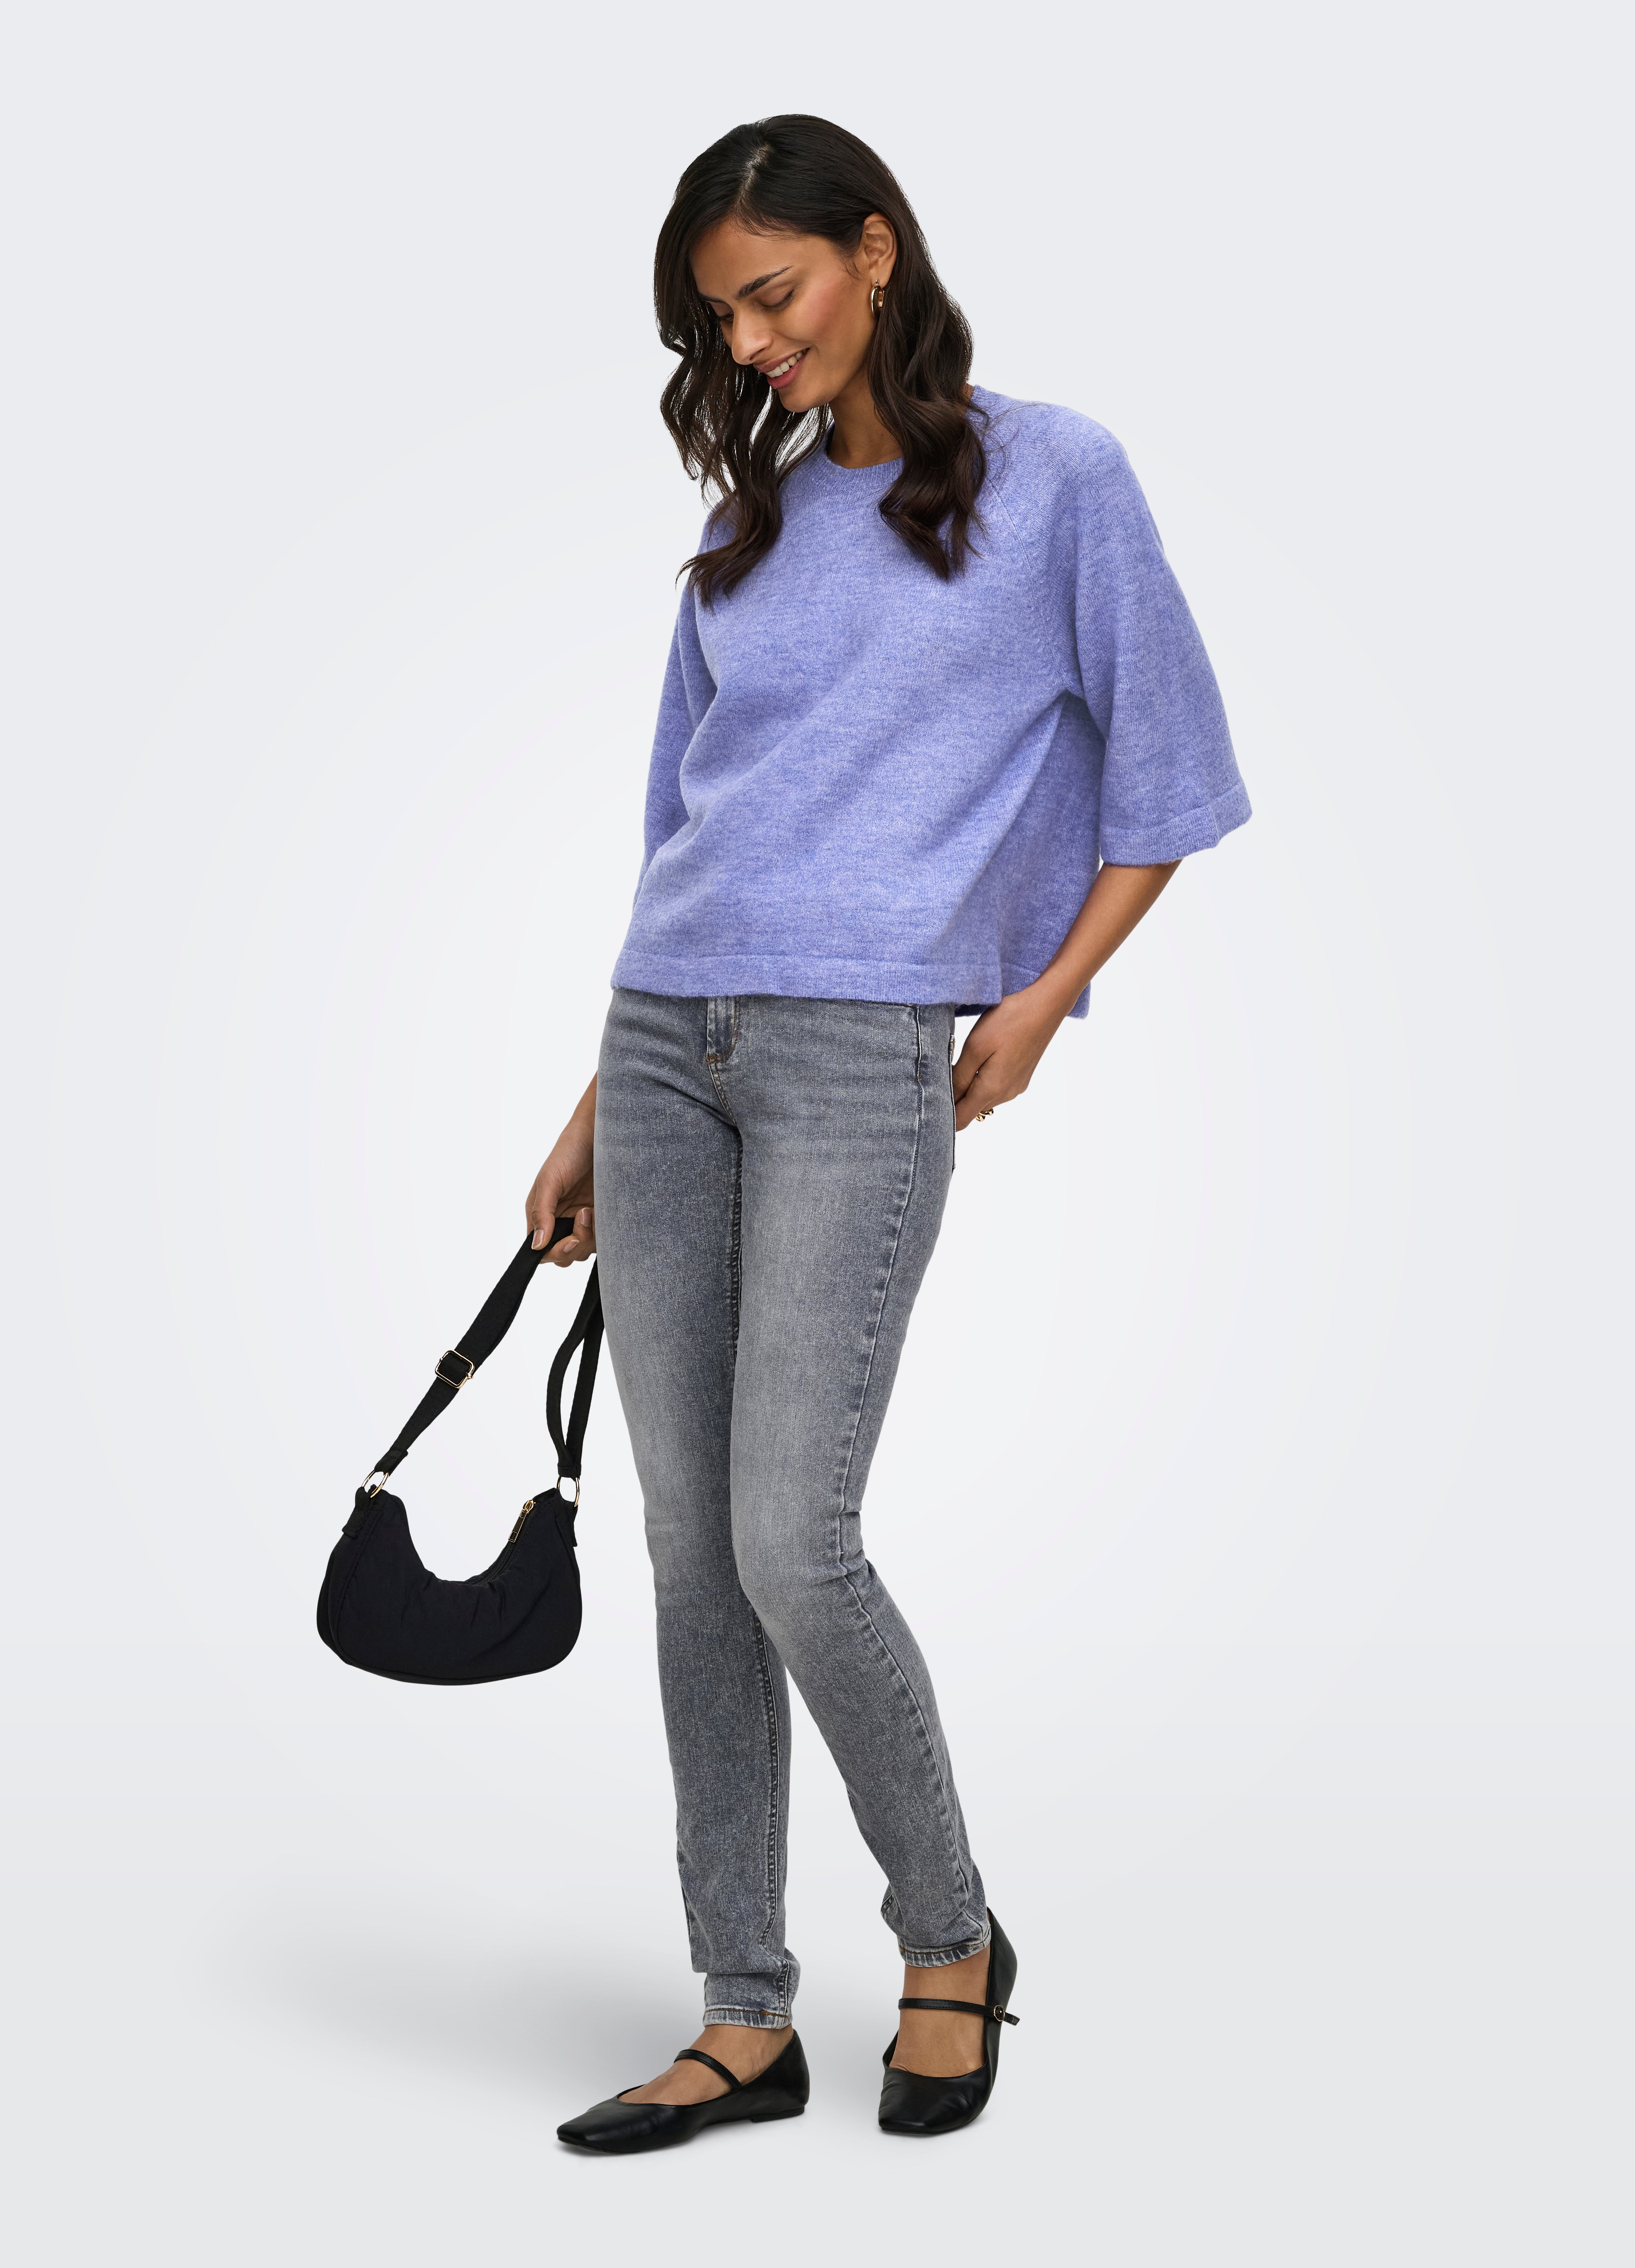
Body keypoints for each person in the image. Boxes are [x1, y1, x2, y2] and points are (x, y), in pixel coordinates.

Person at [532, 114, 1250, 2153]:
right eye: (719, 321)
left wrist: (1036, 1000)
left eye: (771, 295)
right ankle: (741, 2009)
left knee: (792, 1537)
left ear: (875, 247)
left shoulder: (1058, 478)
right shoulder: (748, 531)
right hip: (664, 1041)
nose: (750, 344)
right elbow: (682, 834)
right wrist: (590, 1099)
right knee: (693, 1557)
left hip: (864, 1053)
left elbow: (1173, 774)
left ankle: (950, 1936)